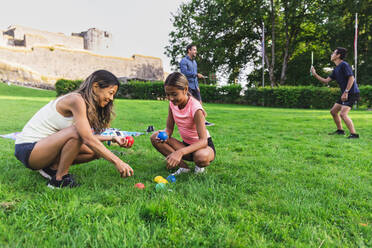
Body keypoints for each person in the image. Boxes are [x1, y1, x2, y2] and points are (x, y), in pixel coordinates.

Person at [14, 70, 134, 188]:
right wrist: (118, 162)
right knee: (78, 133)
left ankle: (51, 168)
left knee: (94, 152)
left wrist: (113, 138)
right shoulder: (76, 100)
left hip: (43, 148)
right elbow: (85, 137)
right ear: (96, 87)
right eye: (110, 92)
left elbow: (85, 136)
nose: (111, 98)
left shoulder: (84, 104)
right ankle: (58, 180)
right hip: (28, 149)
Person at [150, 72, 216, 175]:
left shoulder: (195, 108)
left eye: (174, 94)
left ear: (185, 90)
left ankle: (199, 166)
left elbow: (203, 141)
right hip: (186, 145)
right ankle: (183, 167)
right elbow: (169, 129)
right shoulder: (172, 104)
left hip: (202, 147)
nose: (171, 98)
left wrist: (180, 152)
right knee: (155, 137)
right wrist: (165, 135)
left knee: (201, 157)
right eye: (168, 94)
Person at [311, 47, 360, 139]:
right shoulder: (336, 69)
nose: (331, 55)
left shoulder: (344, 65)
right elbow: (326, 81)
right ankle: (340, 131)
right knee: (333, 111)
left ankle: (354, 134)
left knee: (343, 114)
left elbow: (351, 78)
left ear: (338, 55)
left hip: (351, 92)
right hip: (345, 93)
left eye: (333, 53)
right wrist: (315, 74)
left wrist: (346, 92)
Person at [180, 44, 214, 126]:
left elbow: (195, 76)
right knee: (189, 104)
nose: (196, 51)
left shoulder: (194, 62)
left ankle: (203, 121)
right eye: (194, 50)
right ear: (189, 50)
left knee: (199, 103)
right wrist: (196, 74)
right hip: (187, 86)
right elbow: (184, 73)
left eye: (196, 50)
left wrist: (197, 85)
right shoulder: (184, 61)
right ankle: (188, 121)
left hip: (194, 86)